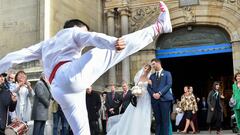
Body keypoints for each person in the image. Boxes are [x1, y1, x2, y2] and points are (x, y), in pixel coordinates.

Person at [0, 1, 172, 134]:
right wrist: (111, 42)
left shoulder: (45, 44)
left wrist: (2, 65)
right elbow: (90, 36)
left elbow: (16, 55)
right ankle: (159, 26)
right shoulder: (74, 32)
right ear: (76, 27)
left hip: (60, 91)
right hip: (67, 76)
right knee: (102, 52)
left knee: (82, 131)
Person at [107, 64, 152, 135]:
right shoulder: (139, 77)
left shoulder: (150, 77)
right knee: (137, 114)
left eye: (148, 69)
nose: (146, 70)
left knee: (145, 114)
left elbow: (151, 87)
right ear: (143, 68)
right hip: (139, 98)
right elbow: (136, 86)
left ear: (149, 70)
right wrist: (136, 92)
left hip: (146, 98)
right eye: (145, 68)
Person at [147, 58, 173, 135]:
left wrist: (160, 93)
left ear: (158, 63)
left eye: (153, 64)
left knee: (165, 121)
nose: (152, 66)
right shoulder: (152, 76)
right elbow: (148, 87)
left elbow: (169, 84)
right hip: (155, 101)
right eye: (152, 64)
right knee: (158, 121)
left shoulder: (167, 73)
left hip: (165, 100)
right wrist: (153, 94)